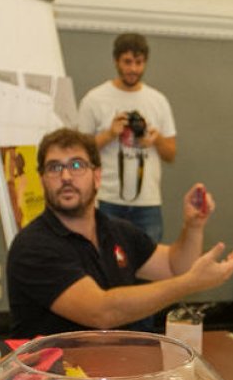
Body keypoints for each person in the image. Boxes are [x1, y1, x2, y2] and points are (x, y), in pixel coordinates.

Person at [6, 128, 233, 337]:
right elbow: (102, 312)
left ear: (97, 176)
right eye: (54, 167)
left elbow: (174, 266)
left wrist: (193, 226)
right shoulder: (33, 245)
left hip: (115, 371)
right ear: (43, 179)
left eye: (76, 165)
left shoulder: (116, 230)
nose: (66, 176)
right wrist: (189, 284)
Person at [76, 32, 177, 242]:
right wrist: (110, 134)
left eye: (139, 63)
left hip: (148, 202)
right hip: (106, 198)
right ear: (116, 61)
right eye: (127, 62)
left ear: (145, 63)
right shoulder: (94, 99)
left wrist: (156, 139)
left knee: (150, 267)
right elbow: (79, 153)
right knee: (105, 265)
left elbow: (171, 154)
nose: (133, 69)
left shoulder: (158, 101)